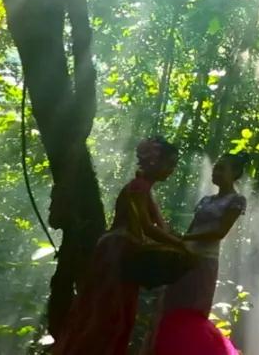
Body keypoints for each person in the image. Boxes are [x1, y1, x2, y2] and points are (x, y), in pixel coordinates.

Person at [54, 136, 184, 355]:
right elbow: (147, 227)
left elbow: (160, 229)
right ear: (154, 162)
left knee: (118, 315)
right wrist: (182, 245)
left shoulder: (145, 189)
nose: (171, 170)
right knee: (107, 315)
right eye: (168, 164)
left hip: (124, 251)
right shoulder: (138, 187)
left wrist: (180, 242)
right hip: (116, 251)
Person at [144, 153, 250, 354]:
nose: (215, 171)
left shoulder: (236, 201)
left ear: (235, 173)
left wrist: (185, 239)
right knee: (169, 309)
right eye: (215, 167)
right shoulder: (205, 200)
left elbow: (220, 232)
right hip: (184, 259)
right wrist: (177, 244)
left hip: (204, 263)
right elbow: (192, 230)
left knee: (191, 314)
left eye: (222, 168)